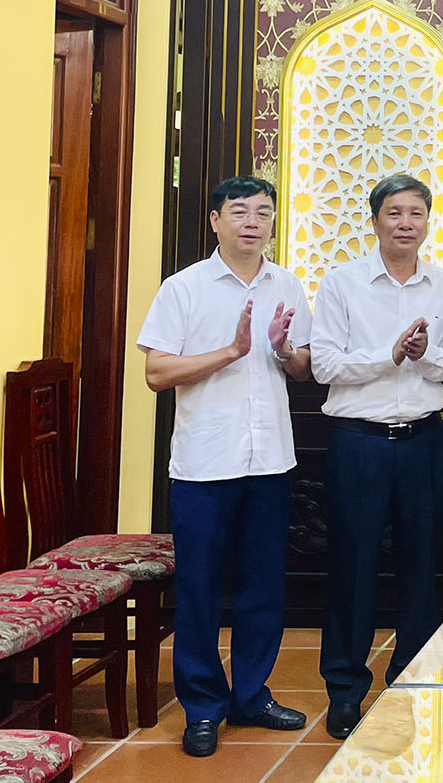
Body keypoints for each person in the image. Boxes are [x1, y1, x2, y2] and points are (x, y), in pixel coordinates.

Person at [137, 175, 312, 758]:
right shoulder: (183, 288)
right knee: (200, 589)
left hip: (270, 461)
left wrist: (284, 350)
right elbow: (157, 373)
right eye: (239, 211)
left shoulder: (287, 284)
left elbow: (303, 367)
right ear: (215, 221)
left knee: (263, 585)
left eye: (263, 212)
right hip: (204, 464)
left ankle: (252, 695)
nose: (252, 222)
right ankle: (203, 707)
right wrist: (231, 352)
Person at [310, 174, 443, 740]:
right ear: (375, 220)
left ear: (428, 222)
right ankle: (345, 690)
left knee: (423, 568)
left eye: (416, 213)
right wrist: (389, 355)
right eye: (394, 213)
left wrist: (424, 355)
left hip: (424, 442)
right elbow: (324, 365)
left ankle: (410, 683)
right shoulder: (342, 283)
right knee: (352, 569)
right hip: (361, 444)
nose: (405, 224)